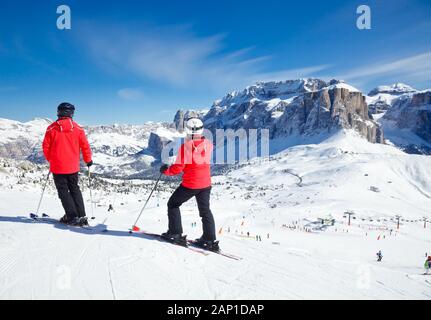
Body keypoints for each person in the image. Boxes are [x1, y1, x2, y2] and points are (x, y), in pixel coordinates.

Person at [160, 118, 219, 252]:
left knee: (173, 204)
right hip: (206, 184)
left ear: (188, 130)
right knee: (205, 211)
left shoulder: (185, 147)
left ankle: (175, 233)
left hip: (191, 184)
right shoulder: (209, 144)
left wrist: (166, 171)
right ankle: (209, 240)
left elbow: (178, 168)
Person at [42, 103, 93, 226]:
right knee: (75, 189)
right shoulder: (78, 129)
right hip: (73, 167)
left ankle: (71, 217)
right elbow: (85, 146)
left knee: (63, 192)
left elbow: (46, 147)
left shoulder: (51, 128)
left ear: (59, 112)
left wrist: (52, 160)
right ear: (72, 114)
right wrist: (88, 160)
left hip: (57, 166)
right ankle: (82, 216)